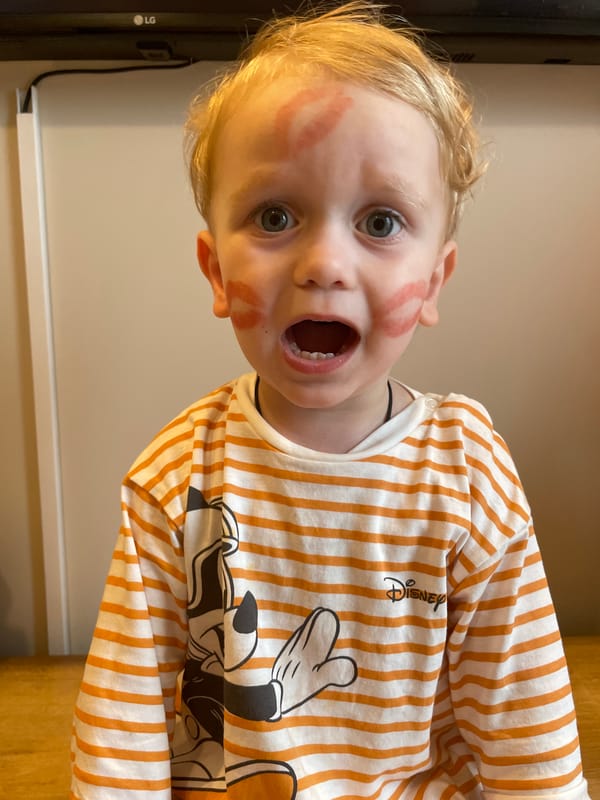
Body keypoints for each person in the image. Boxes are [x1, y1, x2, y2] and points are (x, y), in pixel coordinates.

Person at [70, 3, 591, 799]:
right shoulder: (175, 476)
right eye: (276, 216)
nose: (325, 262)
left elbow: (526, 727)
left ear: (435, 283)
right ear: (216, 272)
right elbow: (122, 731)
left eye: (380, 220)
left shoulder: (469, 474)